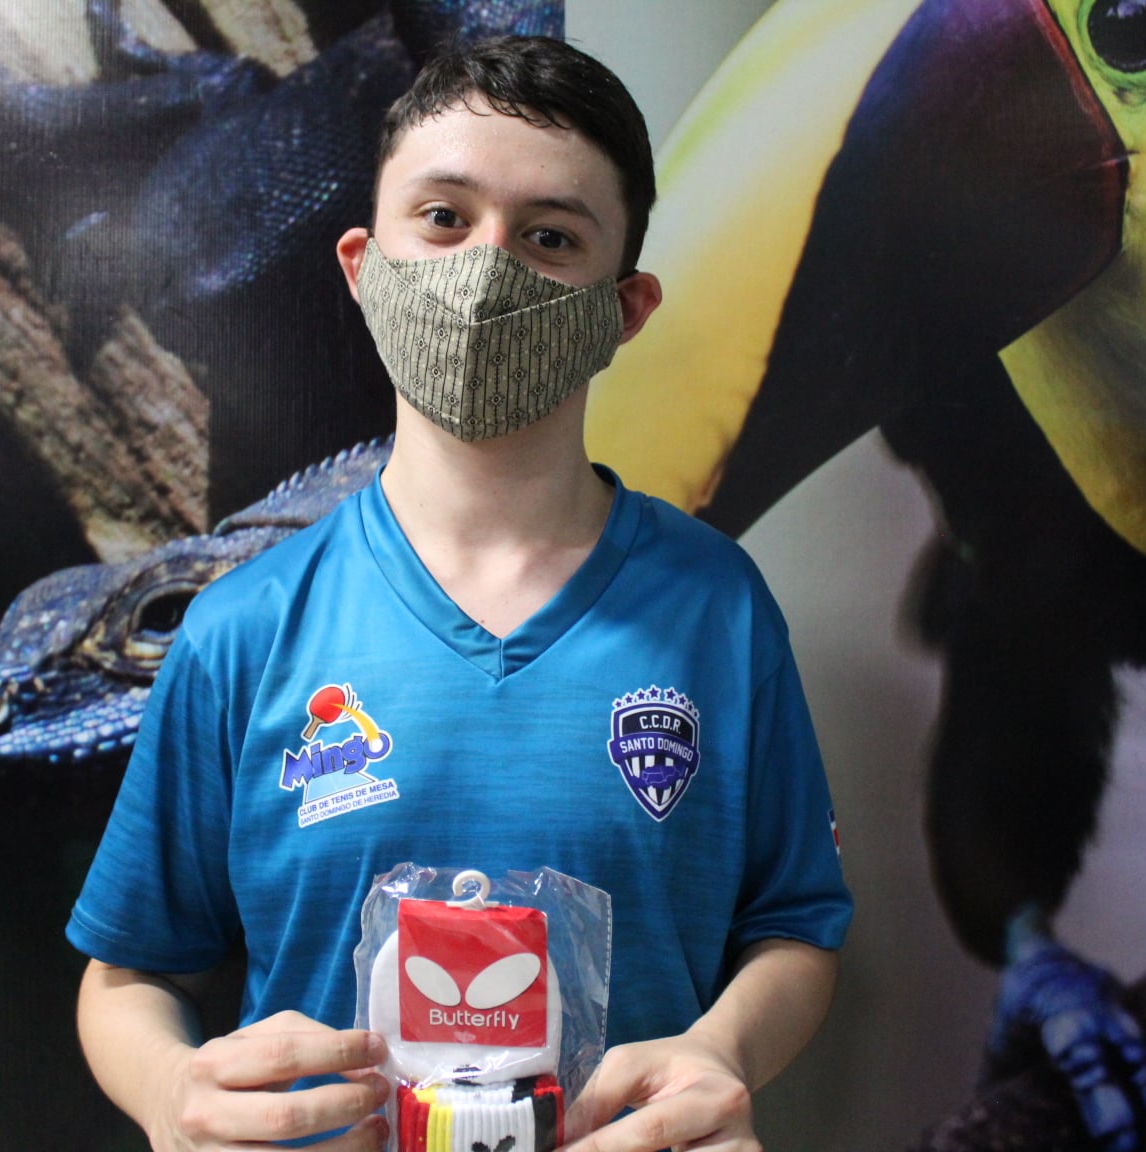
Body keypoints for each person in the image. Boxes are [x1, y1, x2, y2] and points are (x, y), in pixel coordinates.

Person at [67, 34, 852, 1152]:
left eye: (550, 236)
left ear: (626, 308)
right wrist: (167, 1091)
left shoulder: (718, 609)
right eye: (443, 217)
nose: (487, 269)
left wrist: (723, 1052)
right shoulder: (244, 628)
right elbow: (127, 974)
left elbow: (796, 928)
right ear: (361, 264)